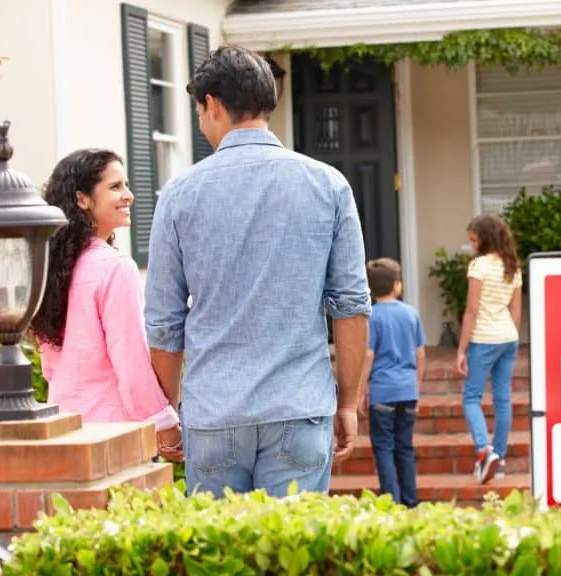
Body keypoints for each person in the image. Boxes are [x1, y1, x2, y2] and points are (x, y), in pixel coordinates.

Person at [143, 45, 371, 498]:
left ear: (211, 104)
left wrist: (167, 412)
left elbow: (165, 325)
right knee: (293, 561)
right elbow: (351, 307)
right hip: (299, 405)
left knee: (219, 561)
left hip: (215, 413)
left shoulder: (178, 194)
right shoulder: (328, 184)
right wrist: (347, 401)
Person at [30, 149, 182, 461]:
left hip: (64, 428)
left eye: (126, 185)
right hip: (114, 434)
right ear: (82, 199)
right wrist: (165, 424)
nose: (129, 195)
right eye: (115, 187)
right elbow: (131, 361)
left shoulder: (48, 268)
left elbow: (49, 364)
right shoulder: (114, 268)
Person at [455, 214, 523, 484]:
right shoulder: (512, 265)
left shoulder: (479, 266)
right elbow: (516, 311)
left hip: (483, 339)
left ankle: (485, 451)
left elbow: (472, 310)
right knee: (502, 399)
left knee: (471, 398)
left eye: (473, 239)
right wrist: (511, 335)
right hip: (508, 337)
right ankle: (500, 458)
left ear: (485, 238)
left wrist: (461, 349)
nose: (471, 245)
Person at [359, 258, 425, 507]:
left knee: (384, 448)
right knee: (405, 449)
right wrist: (417, 388)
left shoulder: (371, 317)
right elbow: (421, 354)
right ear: (397, 285)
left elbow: (368, 355)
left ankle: (391, 503)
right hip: (408, 389)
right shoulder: (411, 314)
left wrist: (361, 390)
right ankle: (411, 502)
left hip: (383, 392)